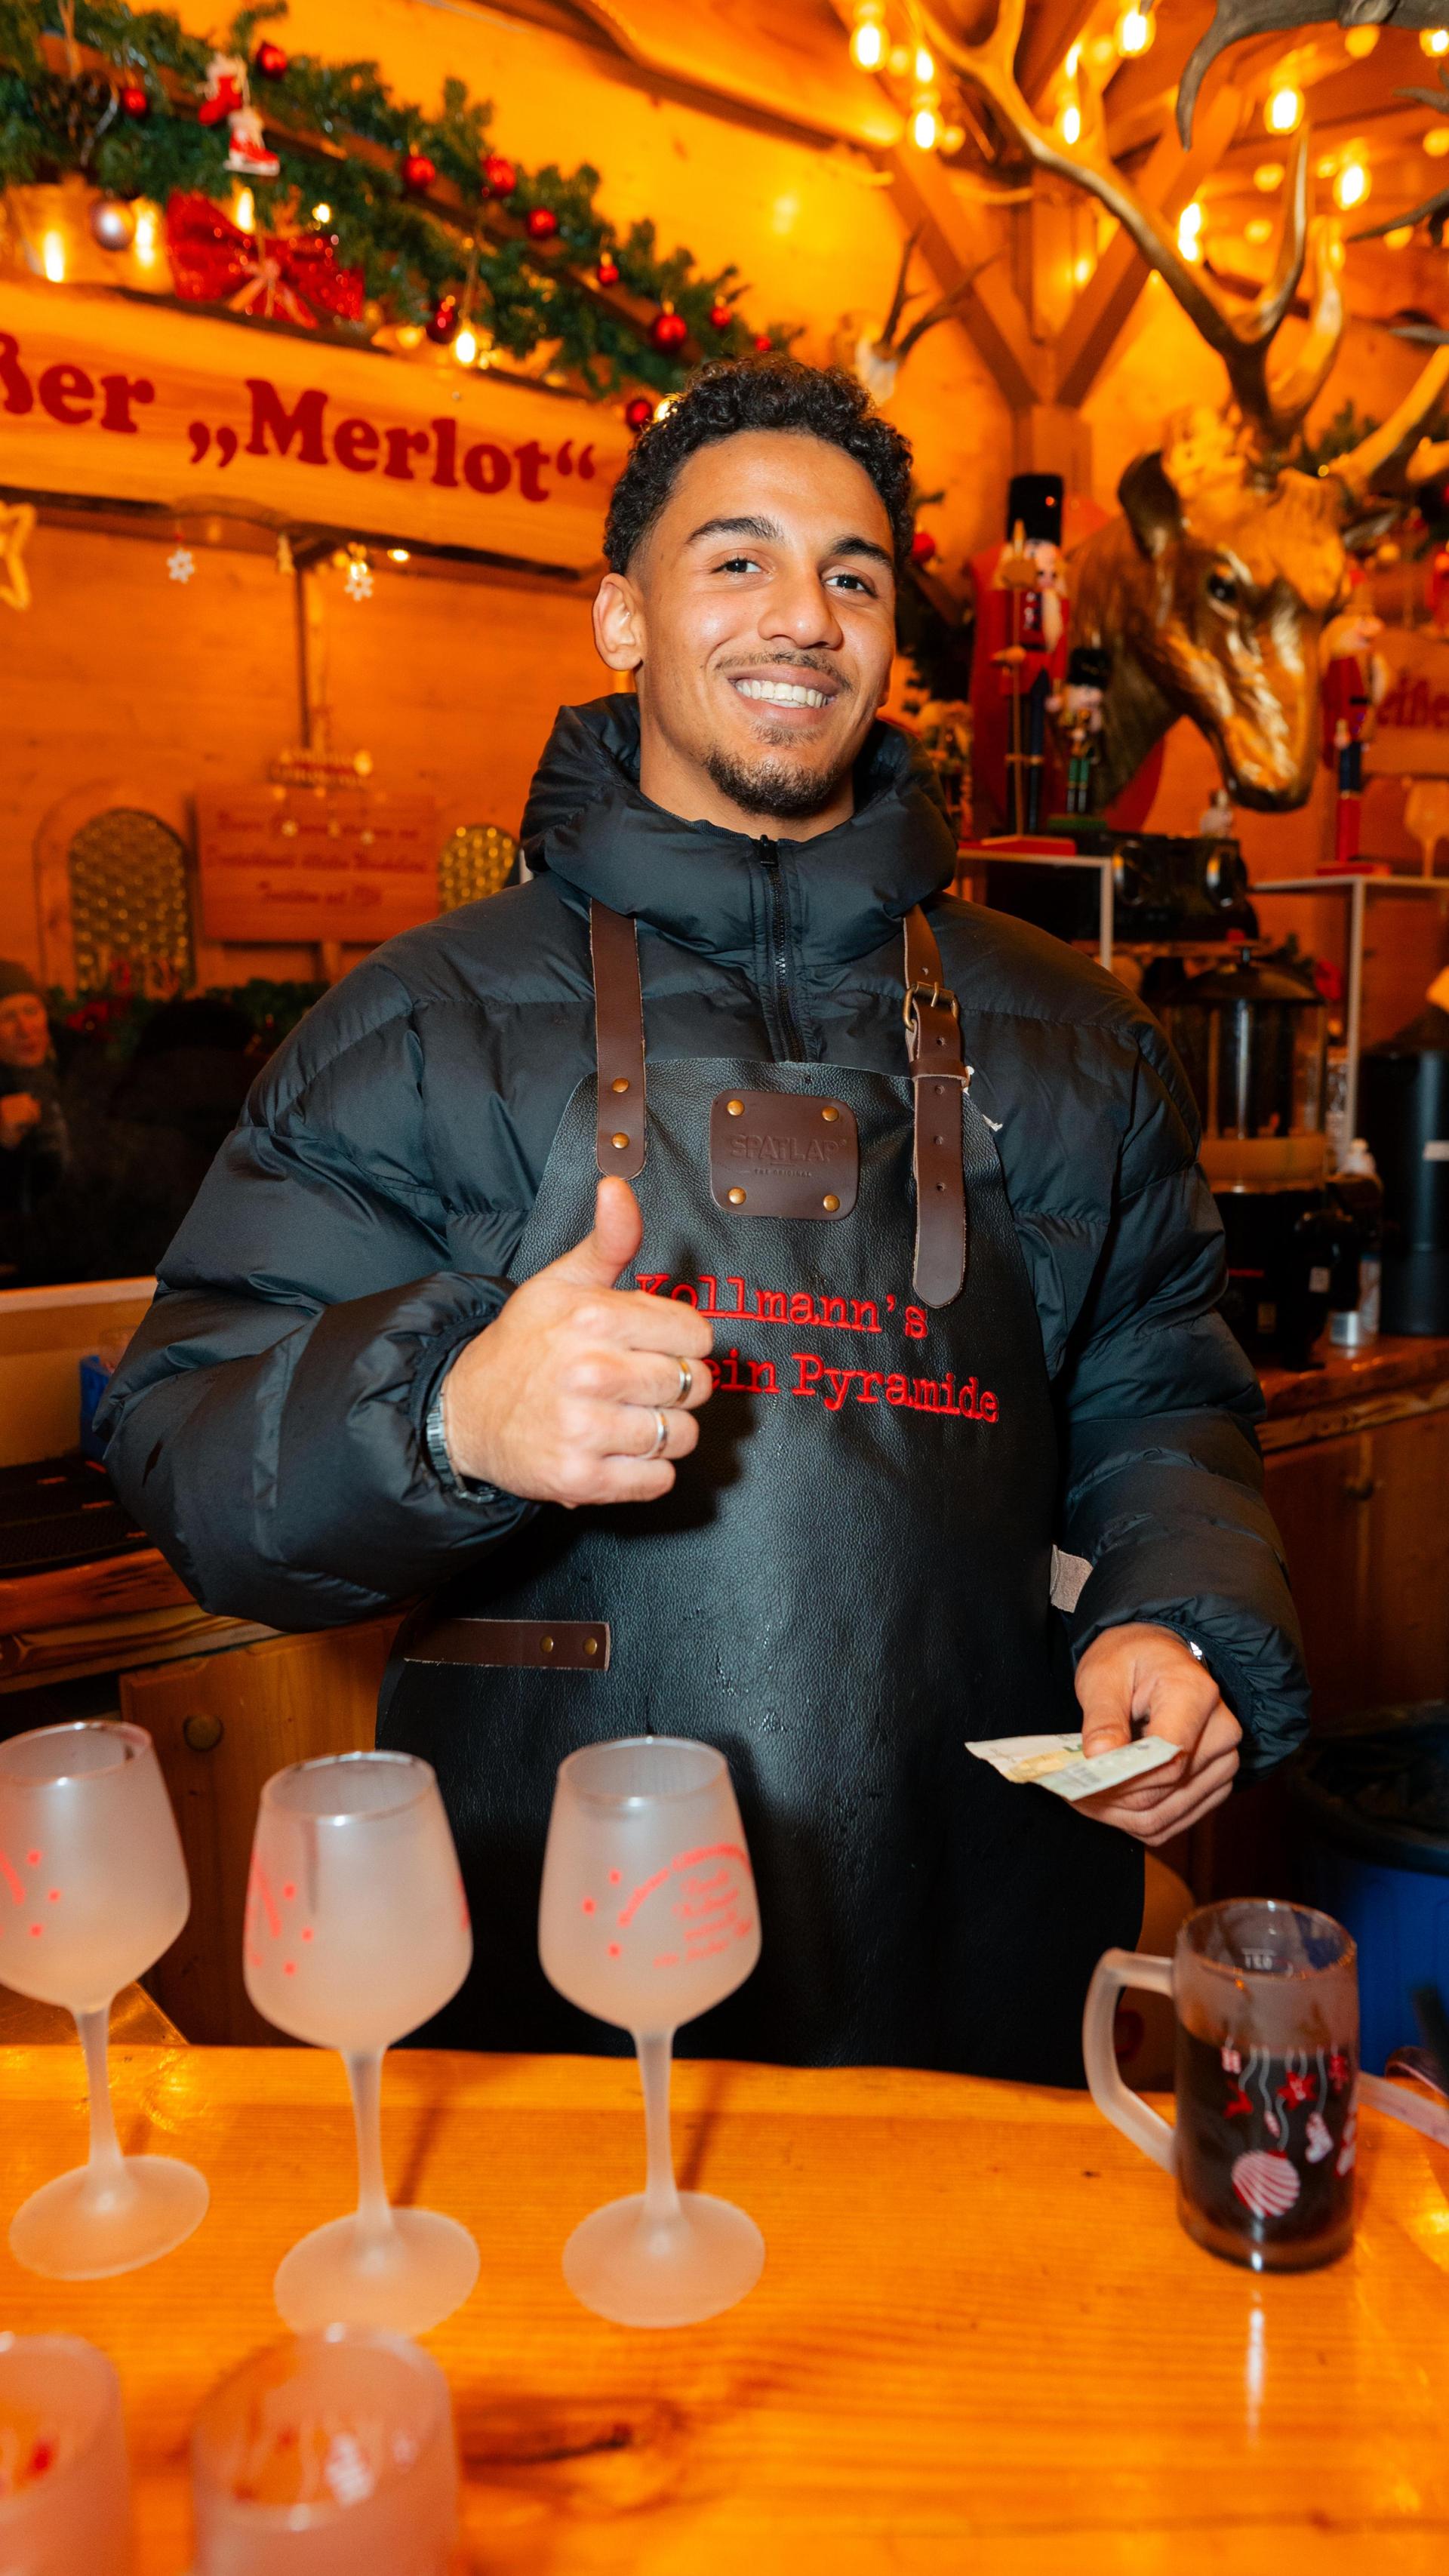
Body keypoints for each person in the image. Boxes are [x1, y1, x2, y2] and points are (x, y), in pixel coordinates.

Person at [102, 361, 1309, 2083]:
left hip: (984, 1950)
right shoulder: (422, 1024)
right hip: (552, 1999)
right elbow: (185, 1434)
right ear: (620, 614)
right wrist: (452, 1412)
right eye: (734, 559)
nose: (802, 616)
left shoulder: (1070, 1034)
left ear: (896, 641)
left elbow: (1160, 1409)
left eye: (853, 574)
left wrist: (1170, 1619)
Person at [0, 962, 68, 1280]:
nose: (25, 1029)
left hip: (84, 1269)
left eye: (31, 1011)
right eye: (7, 1017)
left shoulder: (77, 1078)